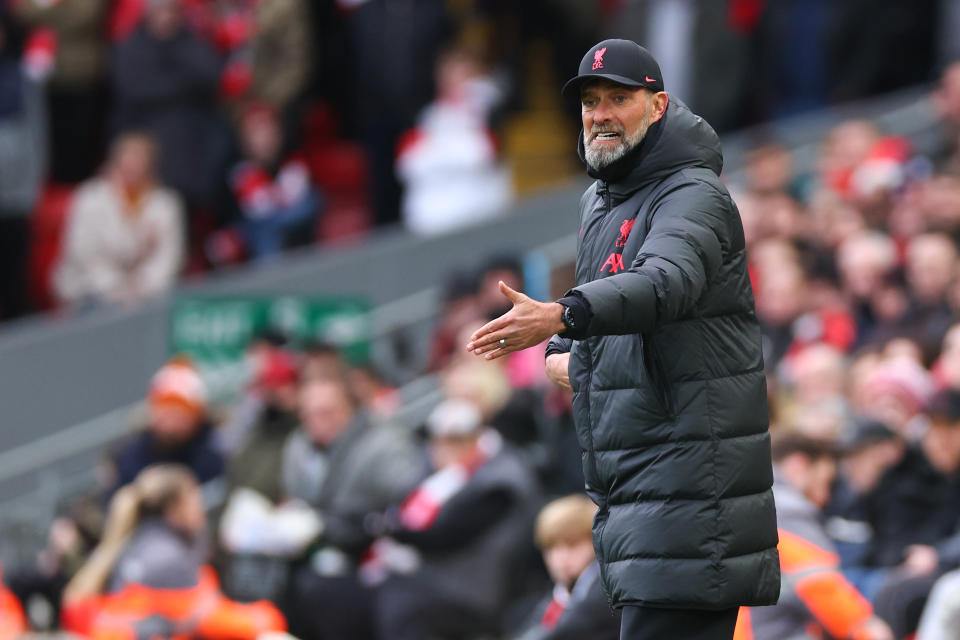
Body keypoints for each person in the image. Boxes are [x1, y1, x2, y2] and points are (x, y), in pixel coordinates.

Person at [466, 39, 780, 639]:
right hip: (641, 496)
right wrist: (569, 357)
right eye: (589, 101)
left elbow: (665, 284)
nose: (600, 114)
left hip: (689, 493)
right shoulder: (602, 199)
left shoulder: (693, 193)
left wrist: (561, 316)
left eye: (618, 98)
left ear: (658, 106)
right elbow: (615, 331)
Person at [372, 398, 539, 640]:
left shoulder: (500, 480)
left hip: (475, 587)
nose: (446, 449)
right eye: (440, 441)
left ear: (476, 438)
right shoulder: (436, 471)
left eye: (457, 440)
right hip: (432, 575)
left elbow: (448, 535)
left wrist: (392, 530)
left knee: (403, 606)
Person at [60, 464, 285, 640]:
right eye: (194, 496)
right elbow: (209, 617)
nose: (201, 505)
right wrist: (266, 619)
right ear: (174, 508)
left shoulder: (143, 541)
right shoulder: (167, 557)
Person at [738, 434, 892, 640]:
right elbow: (823, 589)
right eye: (825, 482)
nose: (825, 497)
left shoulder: (747, 500)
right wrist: (868, 629)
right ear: (798, 465)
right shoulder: (788, 511)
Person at [54, 132, 185, 308]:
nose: (134, 168)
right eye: (129, 159)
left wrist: (142, 285)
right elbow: (83, 255)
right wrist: (116, 287)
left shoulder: (165, 203)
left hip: (146, 295)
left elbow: (169, 258)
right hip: (88, 292)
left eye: (141, 160)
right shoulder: (90, 197)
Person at [106, 358, 223, 496]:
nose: (171, 424)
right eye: (165, 413)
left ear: (196, 418)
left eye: (179, 415)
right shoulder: (130, 456)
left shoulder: (212, 457)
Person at [513, 494, 620, 640]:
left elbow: (569, 629)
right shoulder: (557, 596)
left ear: (594, 543)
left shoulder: (604, 589)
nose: (561, 558)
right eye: (551, 547)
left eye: (572, 545)